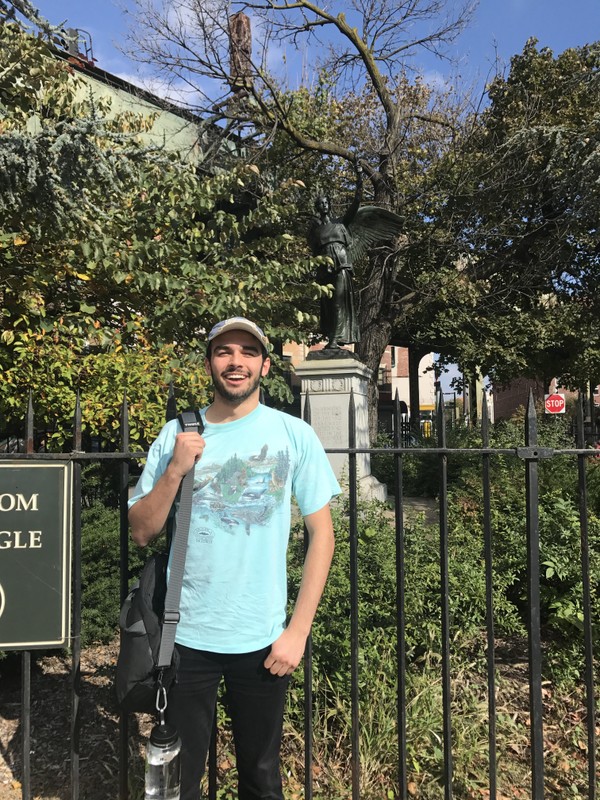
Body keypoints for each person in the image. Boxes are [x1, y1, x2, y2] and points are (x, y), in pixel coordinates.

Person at [128, 316, 340, 800]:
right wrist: (175, 471)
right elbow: (141, 532)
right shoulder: (176, 435)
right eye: (224, 351)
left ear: (264, 365)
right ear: (209, 364)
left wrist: (298, 632)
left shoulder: (294, 434)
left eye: (248, 352)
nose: (236, 361)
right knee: (181, 785)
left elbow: (321, 537)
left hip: (265, 641)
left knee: (262, 779)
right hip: (184, 640)